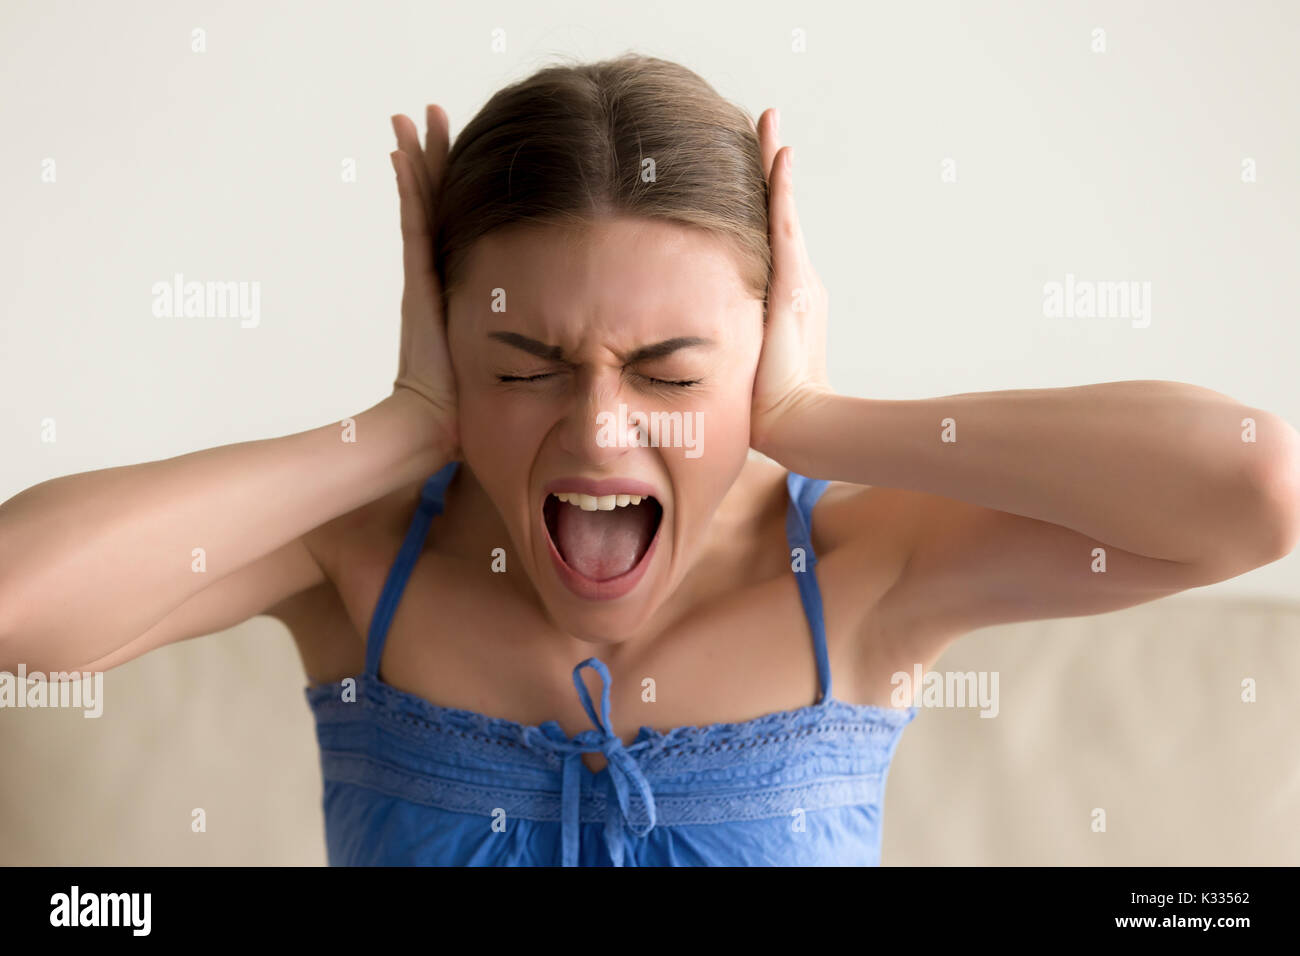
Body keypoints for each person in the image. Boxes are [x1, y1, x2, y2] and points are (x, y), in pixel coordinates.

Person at [2, 54, 1297, 866]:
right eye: (521, 365)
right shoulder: (359, 563)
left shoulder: (863, 573)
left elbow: (1251, 487)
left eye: (673, 370)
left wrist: (813, 418)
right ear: (447, 344)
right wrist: (397, 424)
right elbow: (18, 608)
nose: (603, 431)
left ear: (762, 348)